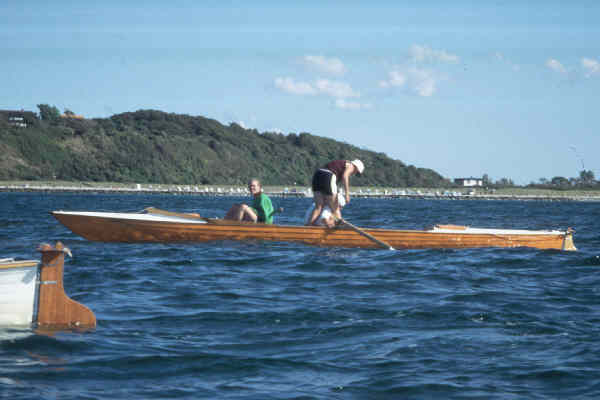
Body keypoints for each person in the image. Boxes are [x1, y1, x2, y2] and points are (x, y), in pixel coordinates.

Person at [306, 159, 364, 226]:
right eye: (357, 173)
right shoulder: (351, 165)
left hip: (317, 175)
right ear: (356, 167)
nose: (354, 173)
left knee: (318, 207)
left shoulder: (340, 165)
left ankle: (308, 226)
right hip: (327, 175)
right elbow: (345, 176)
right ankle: (338, 226)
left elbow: (333, 186)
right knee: (335, 208)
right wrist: (347, 194)